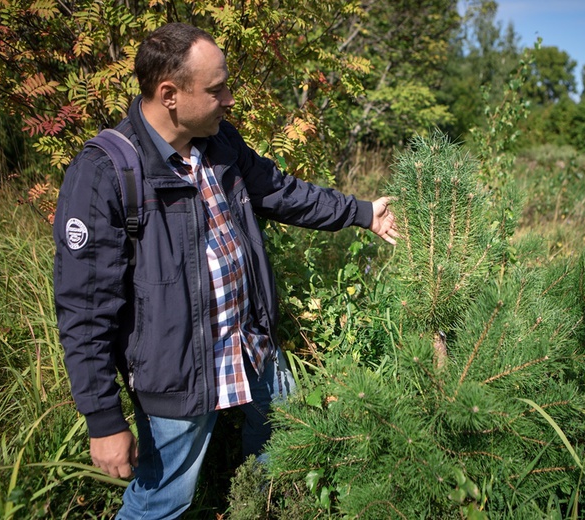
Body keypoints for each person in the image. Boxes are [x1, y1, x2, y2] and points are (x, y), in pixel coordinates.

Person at [53, 22, 397, 519]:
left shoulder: (218, 143)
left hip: (249, 346)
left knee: (282, 451)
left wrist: (362, 213)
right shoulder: (107, 172)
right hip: (177, 373)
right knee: (165, 499)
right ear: (169, 94)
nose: (230, 99)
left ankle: (261, 508)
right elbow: (84, 310)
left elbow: (280, 191)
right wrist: (103, 420)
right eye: (216, 90)